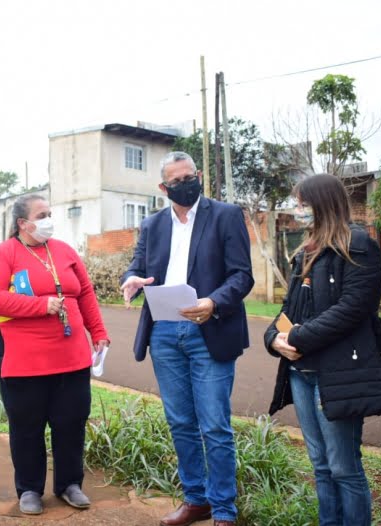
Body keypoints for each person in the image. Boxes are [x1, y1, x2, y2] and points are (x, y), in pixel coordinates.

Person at [121, 151, 253, 526]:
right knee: (180, 422)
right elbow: (139, 266)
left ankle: (224, 510)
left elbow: (242, 276)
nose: (186, 184)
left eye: (190, 176)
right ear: (164, 188)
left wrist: (213, 302)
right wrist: (132, 279)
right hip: (163, 331)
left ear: (199, 175)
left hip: (209, 329)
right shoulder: (152, 224)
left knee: (214, 424)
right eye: (176, 181)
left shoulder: (225, 215)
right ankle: (196, 500)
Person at [264, 174, 381, 526]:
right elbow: (289, 310)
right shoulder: (305, 251)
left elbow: (353, 309)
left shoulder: (359, 245)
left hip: (338, 374)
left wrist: (299, 337)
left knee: (343, 467)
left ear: (324, 204)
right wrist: (273, 337)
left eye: (304, 203)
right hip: (302, 374)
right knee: (320, 466)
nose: (298, 210)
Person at [0, 194, 109, 516]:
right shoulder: (4, 253)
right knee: (27, 425)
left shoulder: (63, 250)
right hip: (22, 356)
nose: (50, 219)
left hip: (71, 354)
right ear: (23, 223)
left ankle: (69, 484)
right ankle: (30, 489)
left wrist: (99, 332)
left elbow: (86, 292)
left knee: (71, 421)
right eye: (42, 214)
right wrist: (40, 305)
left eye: (51, 213)